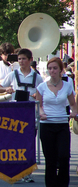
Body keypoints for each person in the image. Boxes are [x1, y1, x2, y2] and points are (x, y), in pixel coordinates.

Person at [36, 57, 77, 187]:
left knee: (64, 157)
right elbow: (39, 106)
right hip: (47, 126)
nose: (52, 71)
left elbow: (73, 104)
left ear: (60, 70)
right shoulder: (41, 87)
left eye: (54, 68)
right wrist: (42, 113)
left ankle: (63, 184)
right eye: (50, 68)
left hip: (62, 125)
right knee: (51, 160)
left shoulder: (67, 86)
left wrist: (74, 113)